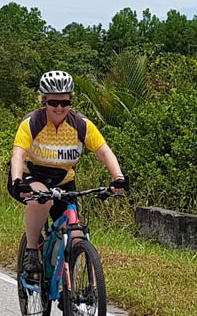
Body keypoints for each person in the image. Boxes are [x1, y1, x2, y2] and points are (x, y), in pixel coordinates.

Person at [9, 70, 128, 280]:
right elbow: (18, 154)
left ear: (71, 100)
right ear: (44, 100)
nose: (59, 108)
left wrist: (118, 177)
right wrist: (18, 181)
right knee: (42, 201)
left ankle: (69, 290)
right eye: (53, 102)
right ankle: (30, 251)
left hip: (64, 180)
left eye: (65, 102)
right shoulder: (32, 123)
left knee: (75, 235)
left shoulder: (81, 124)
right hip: (31, 175)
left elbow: (103, 151)